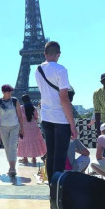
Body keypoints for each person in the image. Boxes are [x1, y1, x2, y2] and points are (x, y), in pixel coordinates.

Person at [35, 41, 77, 188]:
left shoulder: (38, 70)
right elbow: (64, 98)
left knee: (51, 154)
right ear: (58, 54)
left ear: (45, 54)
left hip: (46, 118)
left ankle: (52, 188)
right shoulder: (61, 70)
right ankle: (58, 189)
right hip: (61, 119)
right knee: (60, 156)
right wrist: (72, 124)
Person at [0, 84, 24, 176]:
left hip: (15, 126)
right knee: (7, 147)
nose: (10, 93)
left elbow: (19, 115)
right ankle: (11, 166)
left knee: (13, 146)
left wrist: (22, 128)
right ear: (3, 92)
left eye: (11, 91)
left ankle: (12, 167)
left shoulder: (15, 101)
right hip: (3, 127)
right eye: (8, 91)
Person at [17, 94, 46, 164]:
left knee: (24, 142)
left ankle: (25, 158)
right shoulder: (34, 108)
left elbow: (19, 117)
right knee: (34, 142)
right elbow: (36, 117)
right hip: (33, 127)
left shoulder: (21, 108)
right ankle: (34, 158)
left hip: (24, 127)